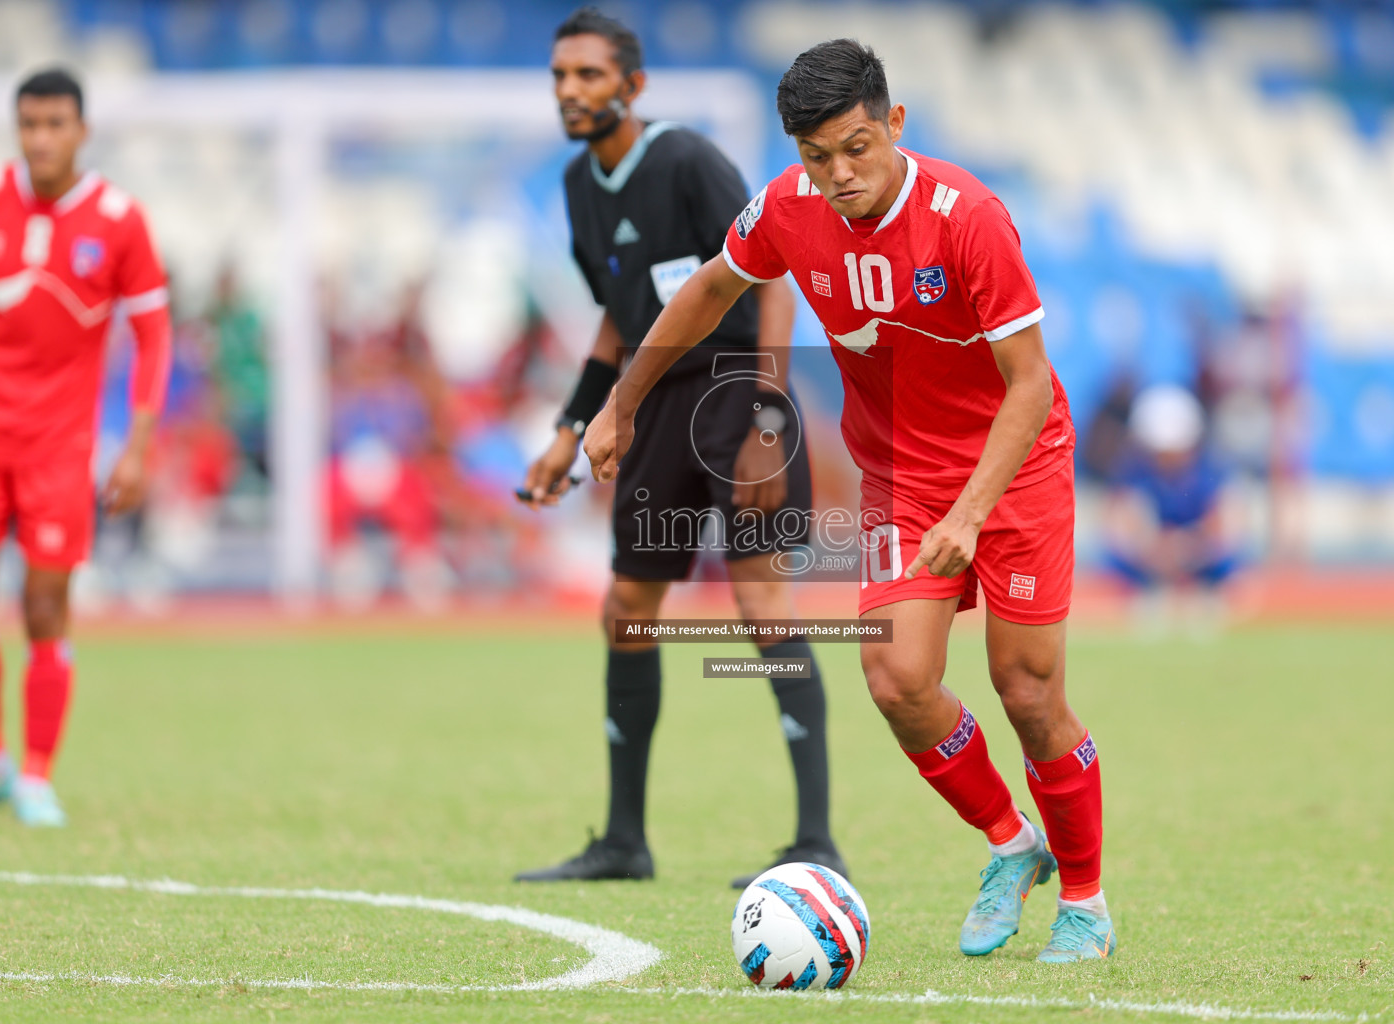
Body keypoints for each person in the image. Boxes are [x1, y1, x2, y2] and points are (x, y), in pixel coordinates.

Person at [584, 40, 1115, 961]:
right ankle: (1009, 842)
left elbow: (1029, 384)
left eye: (858, 147)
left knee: (1027, 692)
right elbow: (713, 287)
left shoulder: (970, 218)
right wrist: (620, 403)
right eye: (817, 156)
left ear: (895, 124)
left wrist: (971, 513)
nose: (839, 174)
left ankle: (1086, 904)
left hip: (1015, 467)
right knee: (897, 681)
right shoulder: (789, 208)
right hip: (905, 477)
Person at [515, 8, 845, 888]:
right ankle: (626, 840)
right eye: (559, 76)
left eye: (587, 74)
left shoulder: (690, 160)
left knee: (762, 607)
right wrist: (568, 430)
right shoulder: (579, 186)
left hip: (739, 394)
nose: (570, 91)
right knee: (626, 607)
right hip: (657, 407)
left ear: (633, 84)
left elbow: (770, 276)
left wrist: (768, 421)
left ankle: (816, 841)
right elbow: (616, 326)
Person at [0, 68, 171, 826]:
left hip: (59, 448)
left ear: (81, 130)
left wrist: (137, 445)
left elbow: (153, 335)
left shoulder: (118, 219)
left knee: (42, 605)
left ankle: (36, 774)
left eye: (55, 124)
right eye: (29, 124)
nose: (41, 139)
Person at [1105, 384, 1240, 624]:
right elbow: (1122, 523)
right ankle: (1139, 601)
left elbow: (1221, 524)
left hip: (1197, 555)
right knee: (1109, 557)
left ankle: (1208, 601)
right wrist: (1152, 549)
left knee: (1232, 559)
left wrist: (1186, 548)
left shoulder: (1209, 469)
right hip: (1149, 557)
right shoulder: (1134, 471)